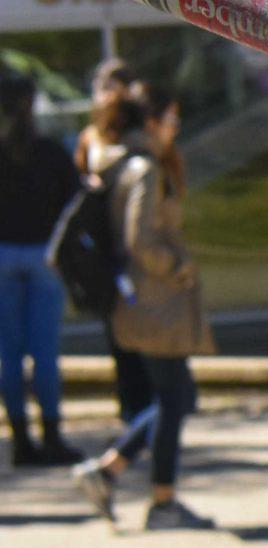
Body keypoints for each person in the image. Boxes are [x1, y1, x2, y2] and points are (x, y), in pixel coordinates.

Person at [70, 82, 216, 531]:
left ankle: (111, 473)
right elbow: (140, 238)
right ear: (151, 123)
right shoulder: (145, 168)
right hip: (156, 299)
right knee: (174, 400)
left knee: (173, 398)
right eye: (171, 120)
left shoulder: (120, 162)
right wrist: (178, 267)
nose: (176, 129)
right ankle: (160, 501)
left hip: (141, 300)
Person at [0, 68, 82, 467]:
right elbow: (75, 203)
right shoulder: (50, 152)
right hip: (43, 257)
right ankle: (51, 435)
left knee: (9, 355)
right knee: (45, 354)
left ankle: (21, 440)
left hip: (3, 258)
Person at [73, 58, 161, 425]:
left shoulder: (135, 142)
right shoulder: (95, 139)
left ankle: (142, 419)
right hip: (116, 252)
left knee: (135, 344)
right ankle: (140, 420)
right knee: (128, 343)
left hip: (122, 251)